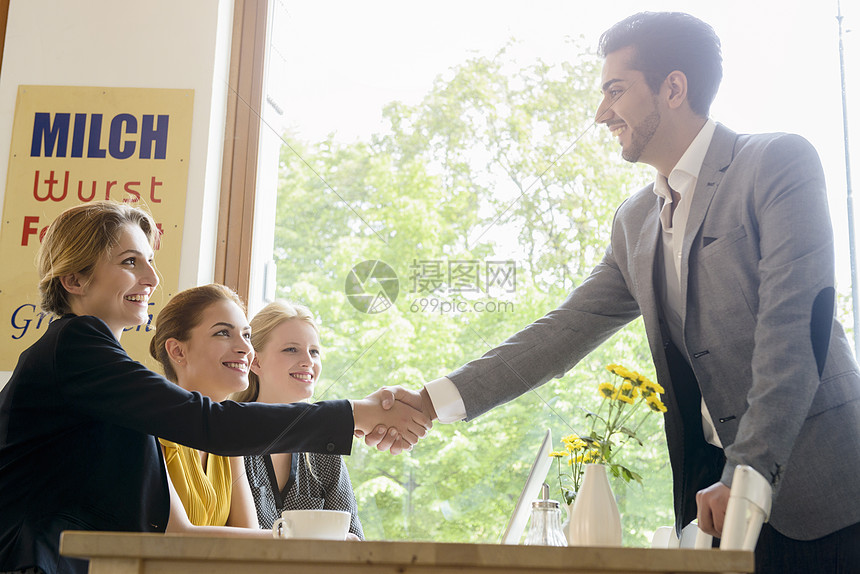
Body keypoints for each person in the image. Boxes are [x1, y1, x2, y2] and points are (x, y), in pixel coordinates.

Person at [373, 11, 860, 573]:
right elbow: (562, 332)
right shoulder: (635, 222)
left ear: (673, 87)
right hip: (712, 507)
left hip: (823, 496)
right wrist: (431, 403)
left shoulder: (774, 163)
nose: (602, 113)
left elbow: (795, 326)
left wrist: (746, 476)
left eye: (615, 91)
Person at [0, 201, 430, 574]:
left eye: (150, 260)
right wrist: (358, 413)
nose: (152, 277)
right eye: (131, 262)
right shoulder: (77, 345)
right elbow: (212, 424)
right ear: (74, 280)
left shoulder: (99, 370)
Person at [231, 301, 364, 539]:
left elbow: (355, 541)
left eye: (314, 351)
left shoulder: (323, 447)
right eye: (291, 349)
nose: (308, 361)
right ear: (256, 362)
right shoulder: (229, 434)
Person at [148, 284, 262, 529]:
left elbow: (248, 539)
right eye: (223, 333)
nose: (245, 348)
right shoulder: (150, 431)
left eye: (247, 335)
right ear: (177, 351)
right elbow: (179, 539)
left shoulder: (227, 435)